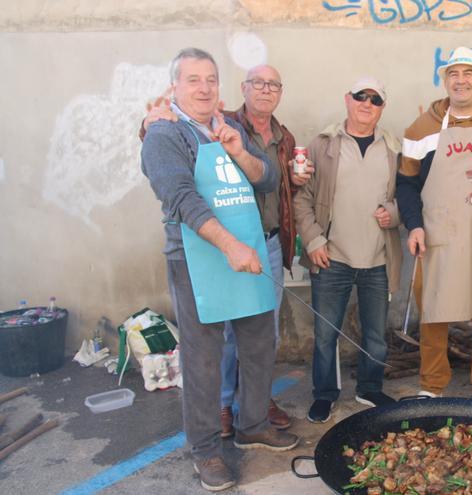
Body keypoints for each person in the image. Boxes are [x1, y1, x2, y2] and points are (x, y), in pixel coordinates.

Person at [140, 48, 299, 492]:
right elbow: (178, 195)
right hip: (197, 258)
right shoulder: (165, 134)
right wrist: (229, 245)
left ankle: (251, 425)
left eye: (210, 79)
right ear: (174, 87)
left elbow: (267, 178)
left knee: (257, 341)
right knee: (204, 358)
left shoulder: (225, 127)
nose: (205, 88)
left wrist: (238, 152)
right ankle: (206, 450)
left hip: (244, 252)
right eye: (193, 80)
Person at [397, 46, 472, 401]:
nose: (461, 81)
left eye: (469, 73)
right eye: (454, 74)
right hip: (438, 233)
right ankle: (432, 384)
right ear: (445, 81)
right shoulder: (420, 128)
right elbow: (406, 183)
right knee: (434, 310)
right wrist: (414, 224)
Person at [294, 77, 402, 423]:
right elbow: (303, 198)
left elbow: (409, 197)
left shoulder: (393, 149)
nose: (367, 103)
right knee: (326, 333)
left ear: (382, 108)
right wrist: (313, 240)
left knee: (375, 333)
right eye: (361, 96)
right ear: (347, 99)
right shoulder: (323, 145)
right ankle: (324, 393)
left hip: (378, 257)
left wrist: (395, 214)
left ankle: (369, 387)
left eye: (375, 99)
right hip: (332, 256)